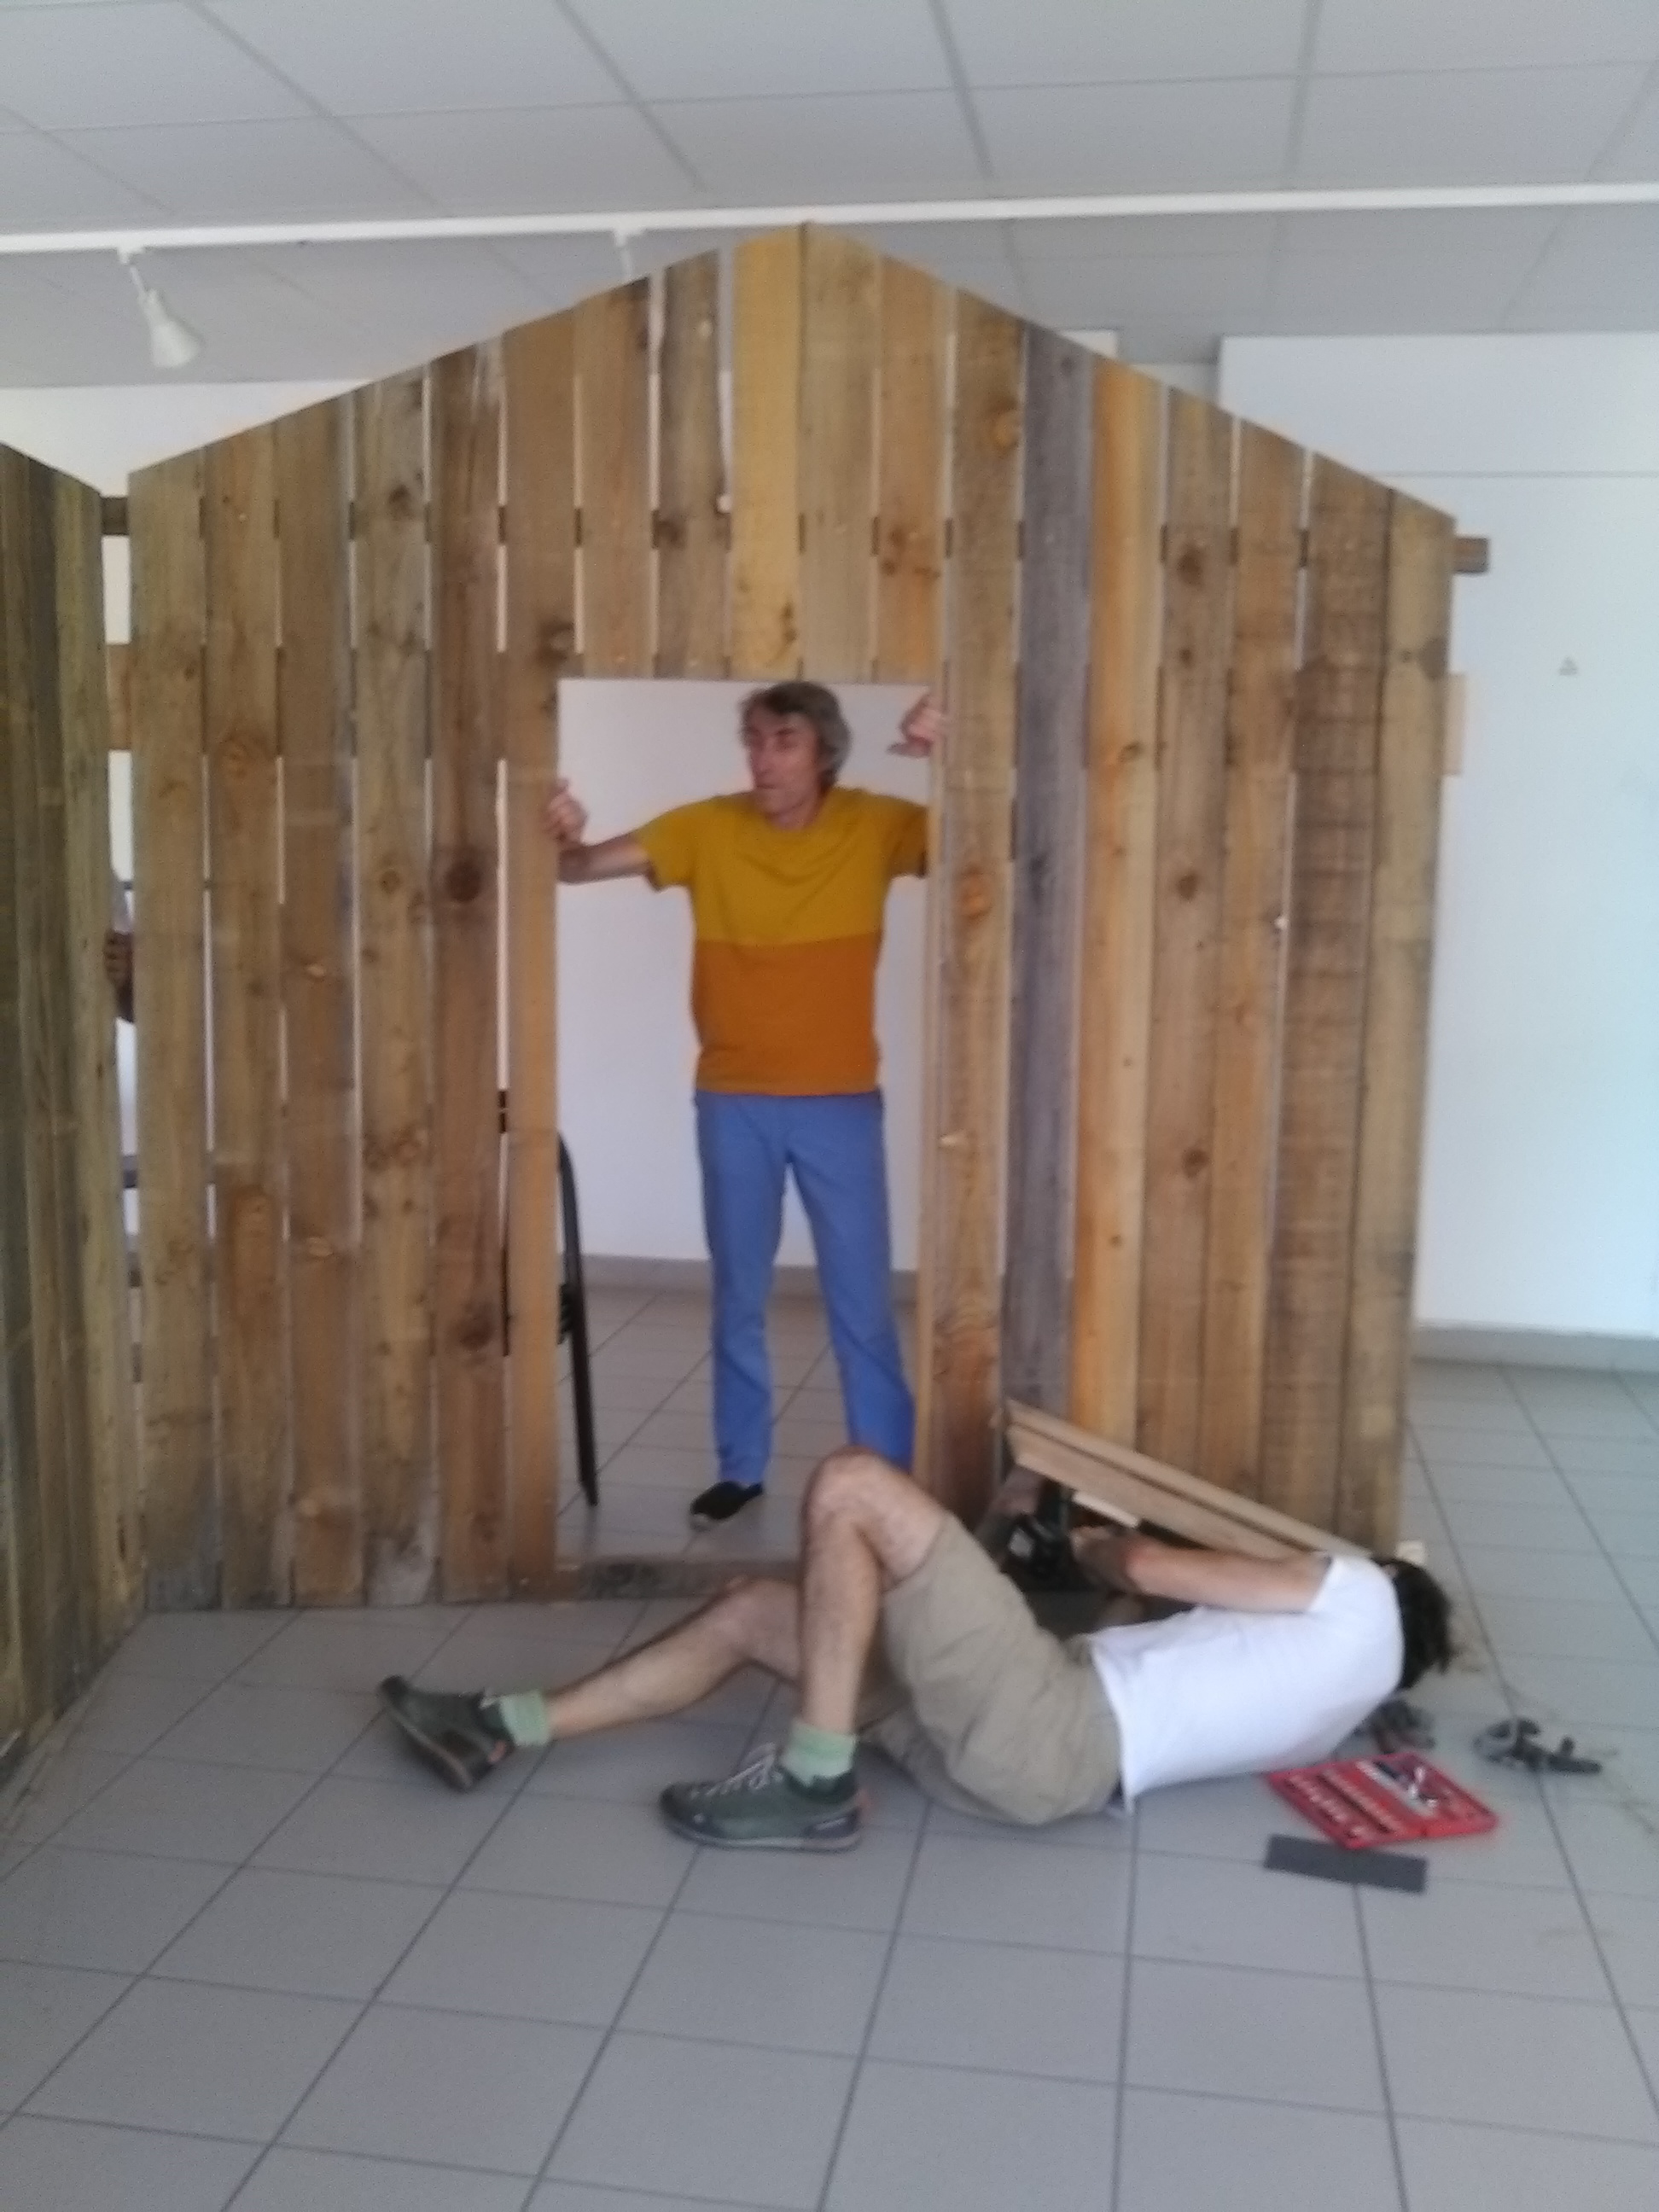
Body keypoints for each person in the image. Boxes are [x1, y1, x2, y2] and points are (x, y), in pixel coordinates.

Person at [379, 1449, 1454, 1849]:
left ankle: (814, 1781)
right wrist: (1015, 1529)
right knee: (755, 1609)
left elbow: (1149, 1568)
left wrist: (1099, 1542)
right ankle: (502, 1726)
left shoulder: (1364, 1594)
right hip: (1027, 1776)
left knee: (851, 1486)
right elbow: (1133, 1655)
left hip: (1048, 1725)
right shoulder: (1330, 1711)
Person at [544, 684, 942, 1529]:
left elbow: (993, 841)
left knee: (862, 1305)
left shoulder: (877, 824)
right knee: (739, 1296)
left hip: (839, 1102)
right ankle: (741, 1467)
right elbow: (575, 869)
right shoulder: (706, 827)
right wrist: (563, 835)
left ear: (825, 752)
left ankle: (888, 1475)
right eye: (755, 740)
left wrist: (954, 752)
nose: (763, 758)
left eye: (784, 741)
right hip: (733, 1101)